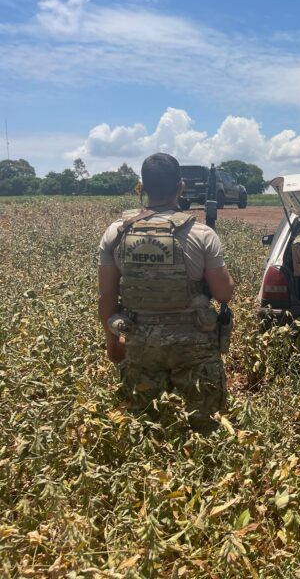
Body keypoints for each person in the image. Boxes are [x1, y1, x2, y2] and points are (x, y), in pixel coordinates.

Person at [98, 153, 235, 433]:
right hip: (195, 345)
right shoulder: (202, 234)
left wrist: (113, 345)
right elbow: (224, 295)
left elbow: (107, 298)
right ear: (181, 186)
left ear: (142, 187)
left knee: (145, 426)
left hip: (139, 343)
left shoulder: (116, 233)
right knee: (204, 430)